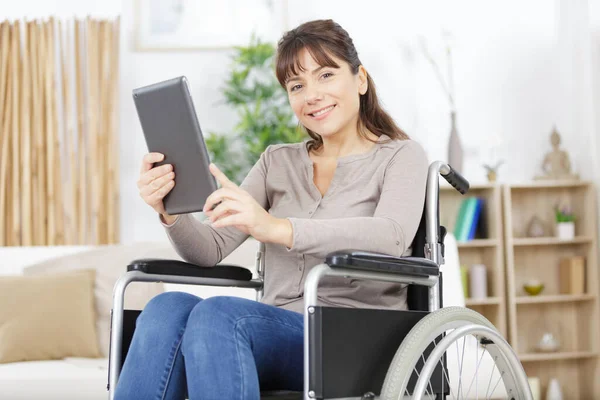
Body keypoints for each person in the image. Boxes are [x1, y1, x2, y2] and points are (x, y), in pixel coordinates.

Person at [114, 19, 428, 400]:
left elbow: (391, 236)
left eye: (326, 75)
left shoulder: (401, 156)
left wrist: (278, 229)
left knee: (220, 316)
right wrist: (170, 211)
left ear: (360, 79)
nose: (312, 95)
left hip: (353, 338)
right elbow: (209, 249)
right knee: (166, 307)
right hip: (271, 328)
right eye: (297, 86)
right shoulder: (276, 162)